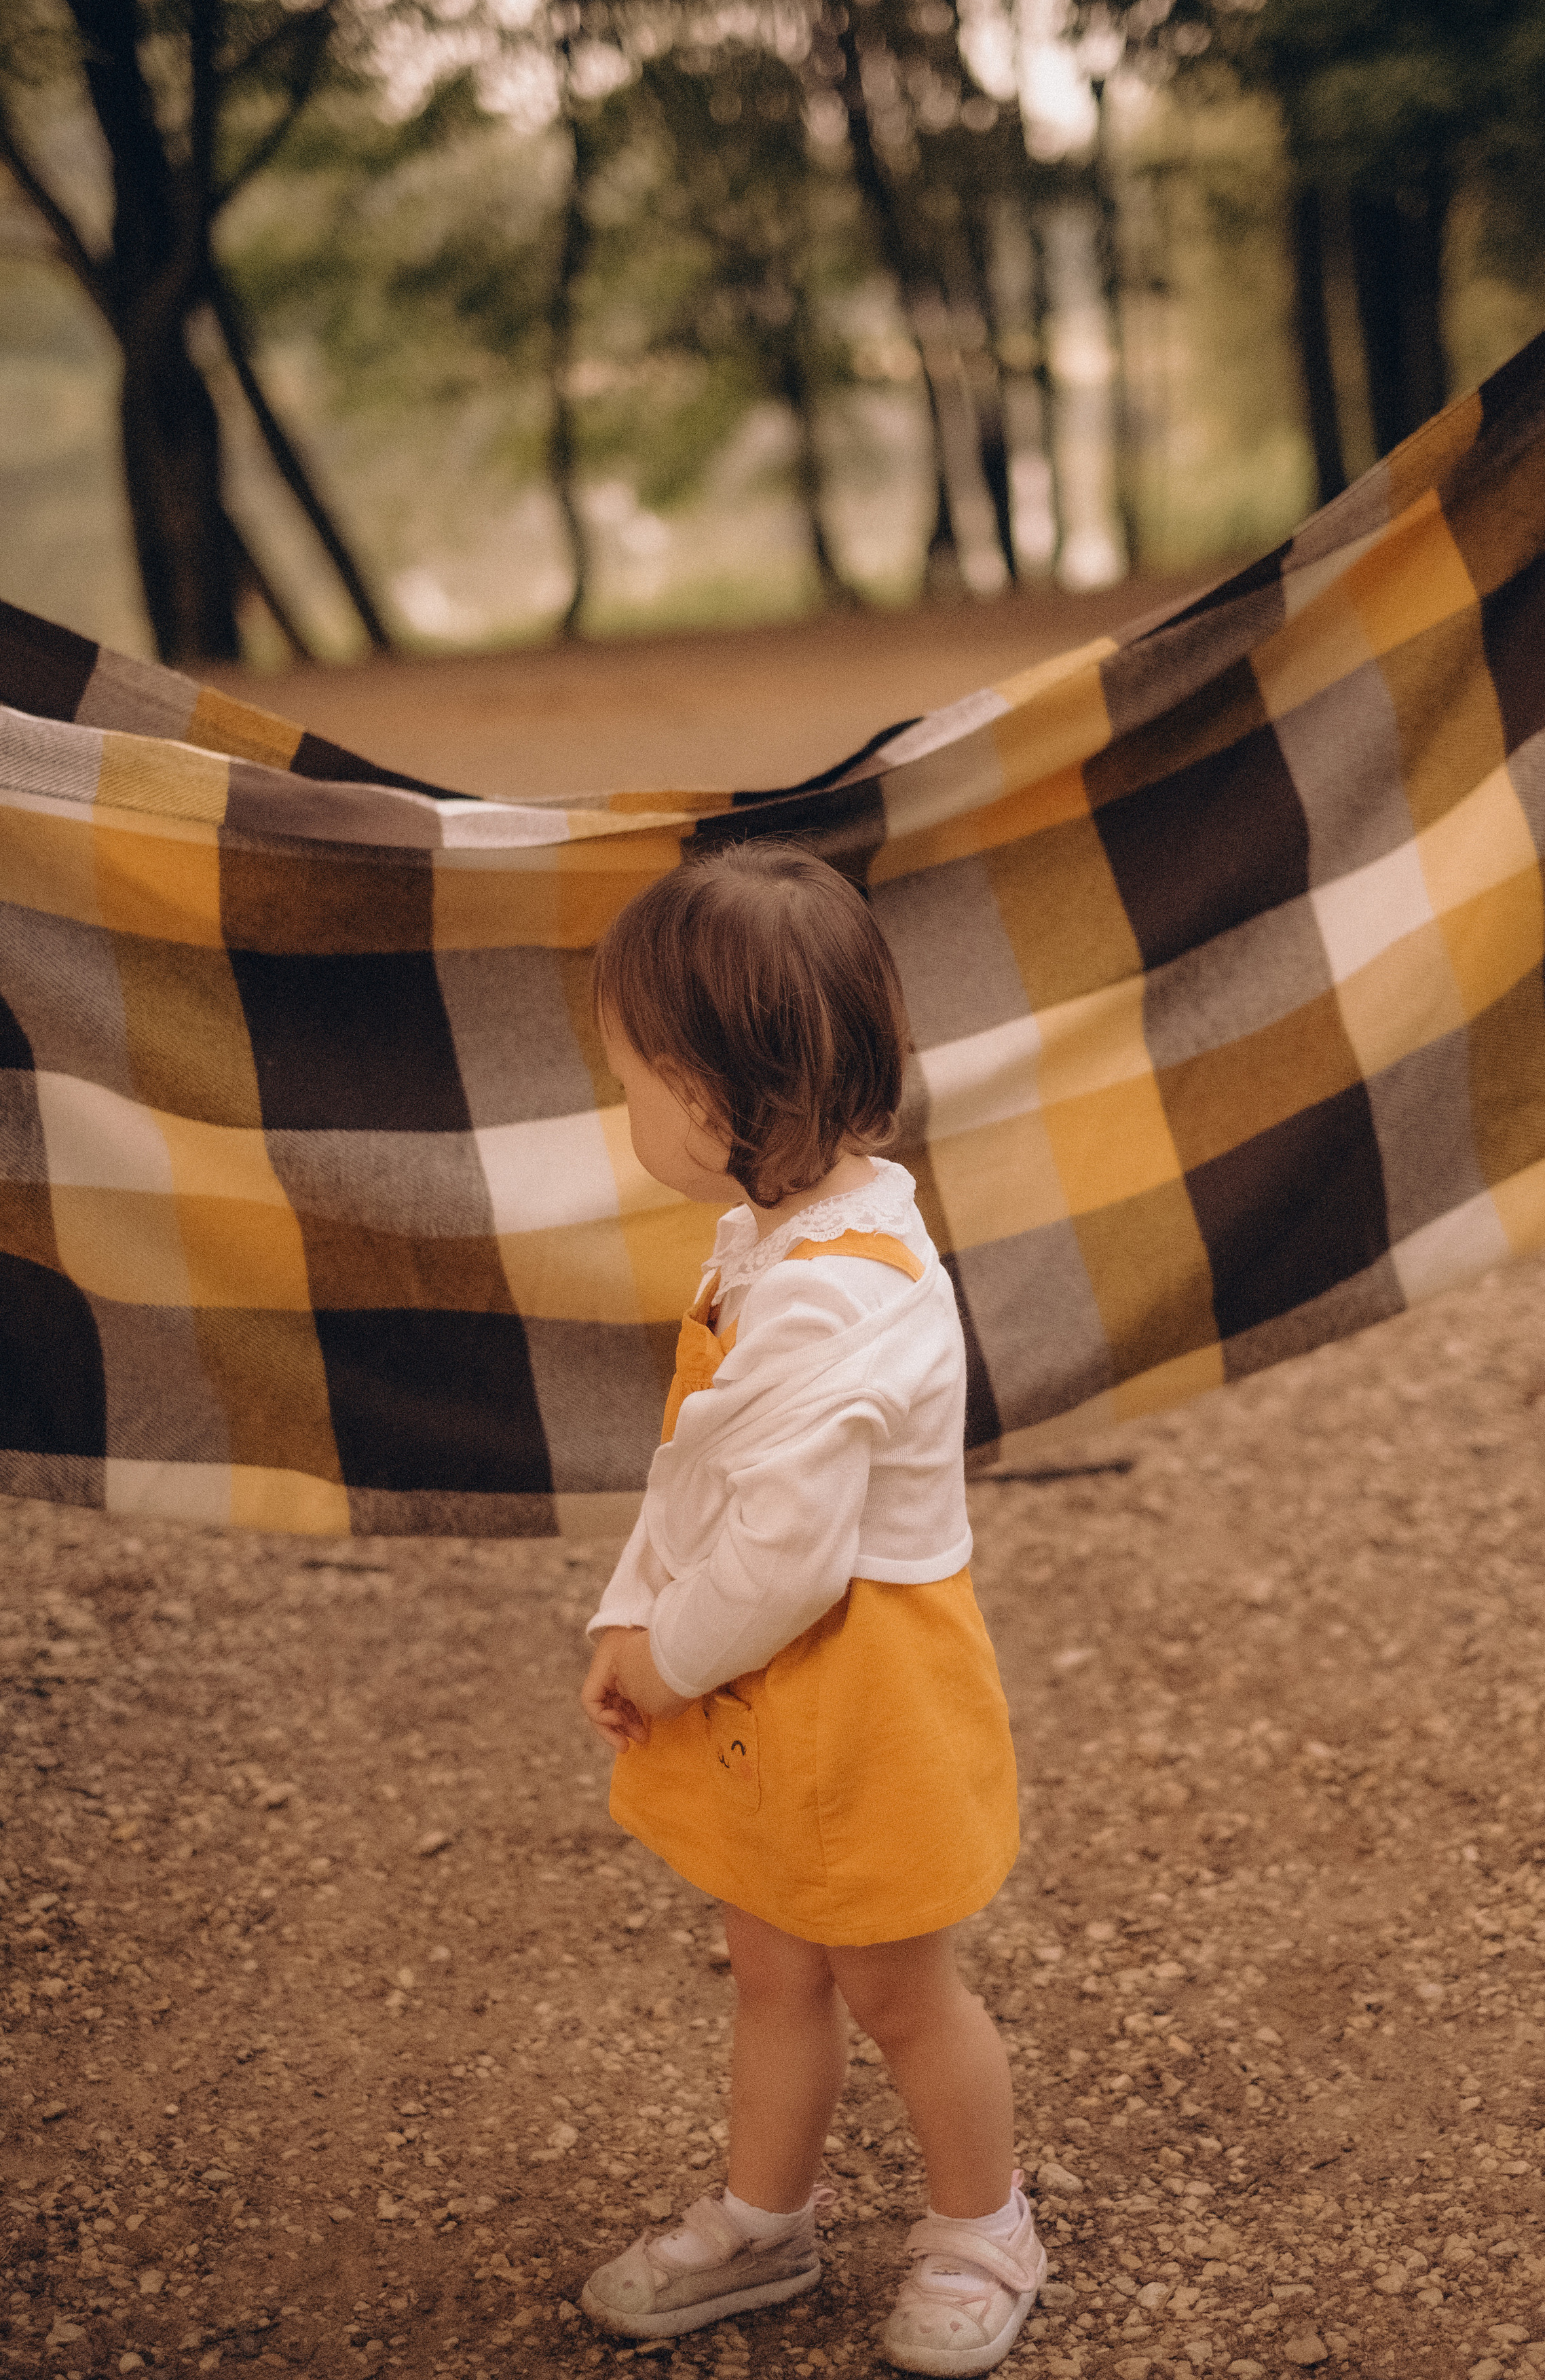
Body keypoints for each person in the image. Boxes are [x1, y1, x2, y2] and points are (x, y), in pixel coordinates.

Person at [577, 841, 1043, 2377]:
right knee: (772, 1966)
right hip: (762, 1689)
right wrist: (625, 1609)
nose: (626, 1112)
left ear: (719, 1101)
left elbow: (781, 1563)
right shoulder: (772, 1242)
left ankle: (983, 2229)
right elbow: (699, 1476)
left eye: (634, 1082)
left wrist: (661, 1661)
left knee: (899, 1987)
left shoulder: (837, 1298)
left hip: (860, 1695)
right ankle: (764, 2221)